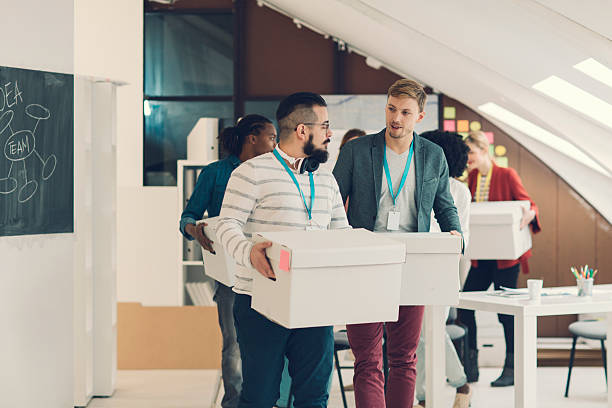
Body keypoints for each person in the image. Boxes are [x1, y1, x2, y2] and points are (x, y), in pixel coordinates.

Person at [333, 79, 462, 408]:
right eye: (392, 109)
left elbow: (444, 204)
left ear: (419, 116)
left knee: (404, 357)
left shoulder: (433, 156)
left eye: (405, 112)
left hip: (412, 260)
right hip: (366, 259)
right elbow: (332, 205)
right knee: (366, 359)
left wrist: (455, 234)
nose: (396, 118)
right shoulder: (357, 150)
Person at [216, 92, 350, 408]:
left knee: (314, 397)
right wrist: (249, 251)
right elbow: (226, 225)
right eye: (325, 126)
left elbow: (341, 233)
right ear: (303, 130)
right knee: (260, 398)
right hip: (261, 301)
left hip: (314, 303)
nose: (331, 134)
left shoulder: (326, 179)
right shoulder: (251, 172)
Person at [179, 114, 277, 408]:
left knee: (270, 344)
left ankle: (267, 399)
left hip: (268, 271)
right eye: (271, 137)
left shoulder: (275, 172)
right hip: (229, 272)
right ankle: (235, 402)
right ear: (252, 138)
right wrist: (194, 229)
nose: (275, 143)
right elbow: (188, 216)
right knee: (233, 344)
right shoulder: (215, 173)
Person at [457, 130, 541, 387]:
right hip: (482, 258)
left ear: (483, 150)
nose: (467, 157)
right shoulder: (471, 178)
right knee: (465, 306)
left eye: (470, 152)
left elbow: (530, 204)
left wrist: (529, 214)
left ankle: (511, 368)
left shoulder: (507, 174)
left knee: (506, 315)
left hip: (505, 258)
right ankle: (470, 367)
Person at [413, 130, 472, 408]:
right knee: (422, 336)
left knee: (428, 334)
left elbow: (456, 235)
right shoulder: (420, 182)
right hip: (416, 268)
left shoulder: (457, 189)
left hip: (441, 270)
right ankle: (447, 388)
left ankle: (450, 388)